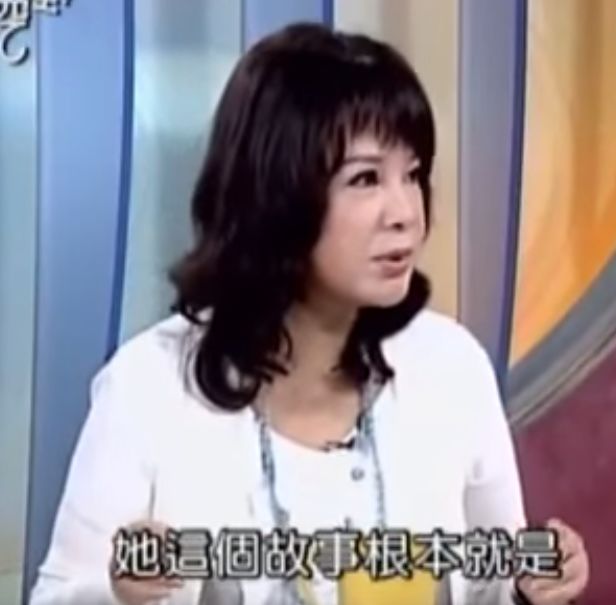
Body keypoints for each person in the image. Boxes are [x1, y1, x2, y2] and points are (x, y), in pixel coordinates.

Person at [29, 22, 588, 605]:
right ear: (276, 193)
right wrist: (119, 594)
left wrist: (532, 588)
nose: (406, 212)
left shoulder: (452, 370)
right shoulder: (149, 386)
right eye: (366, 179)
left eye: (414, 174)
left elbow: (493, 584)